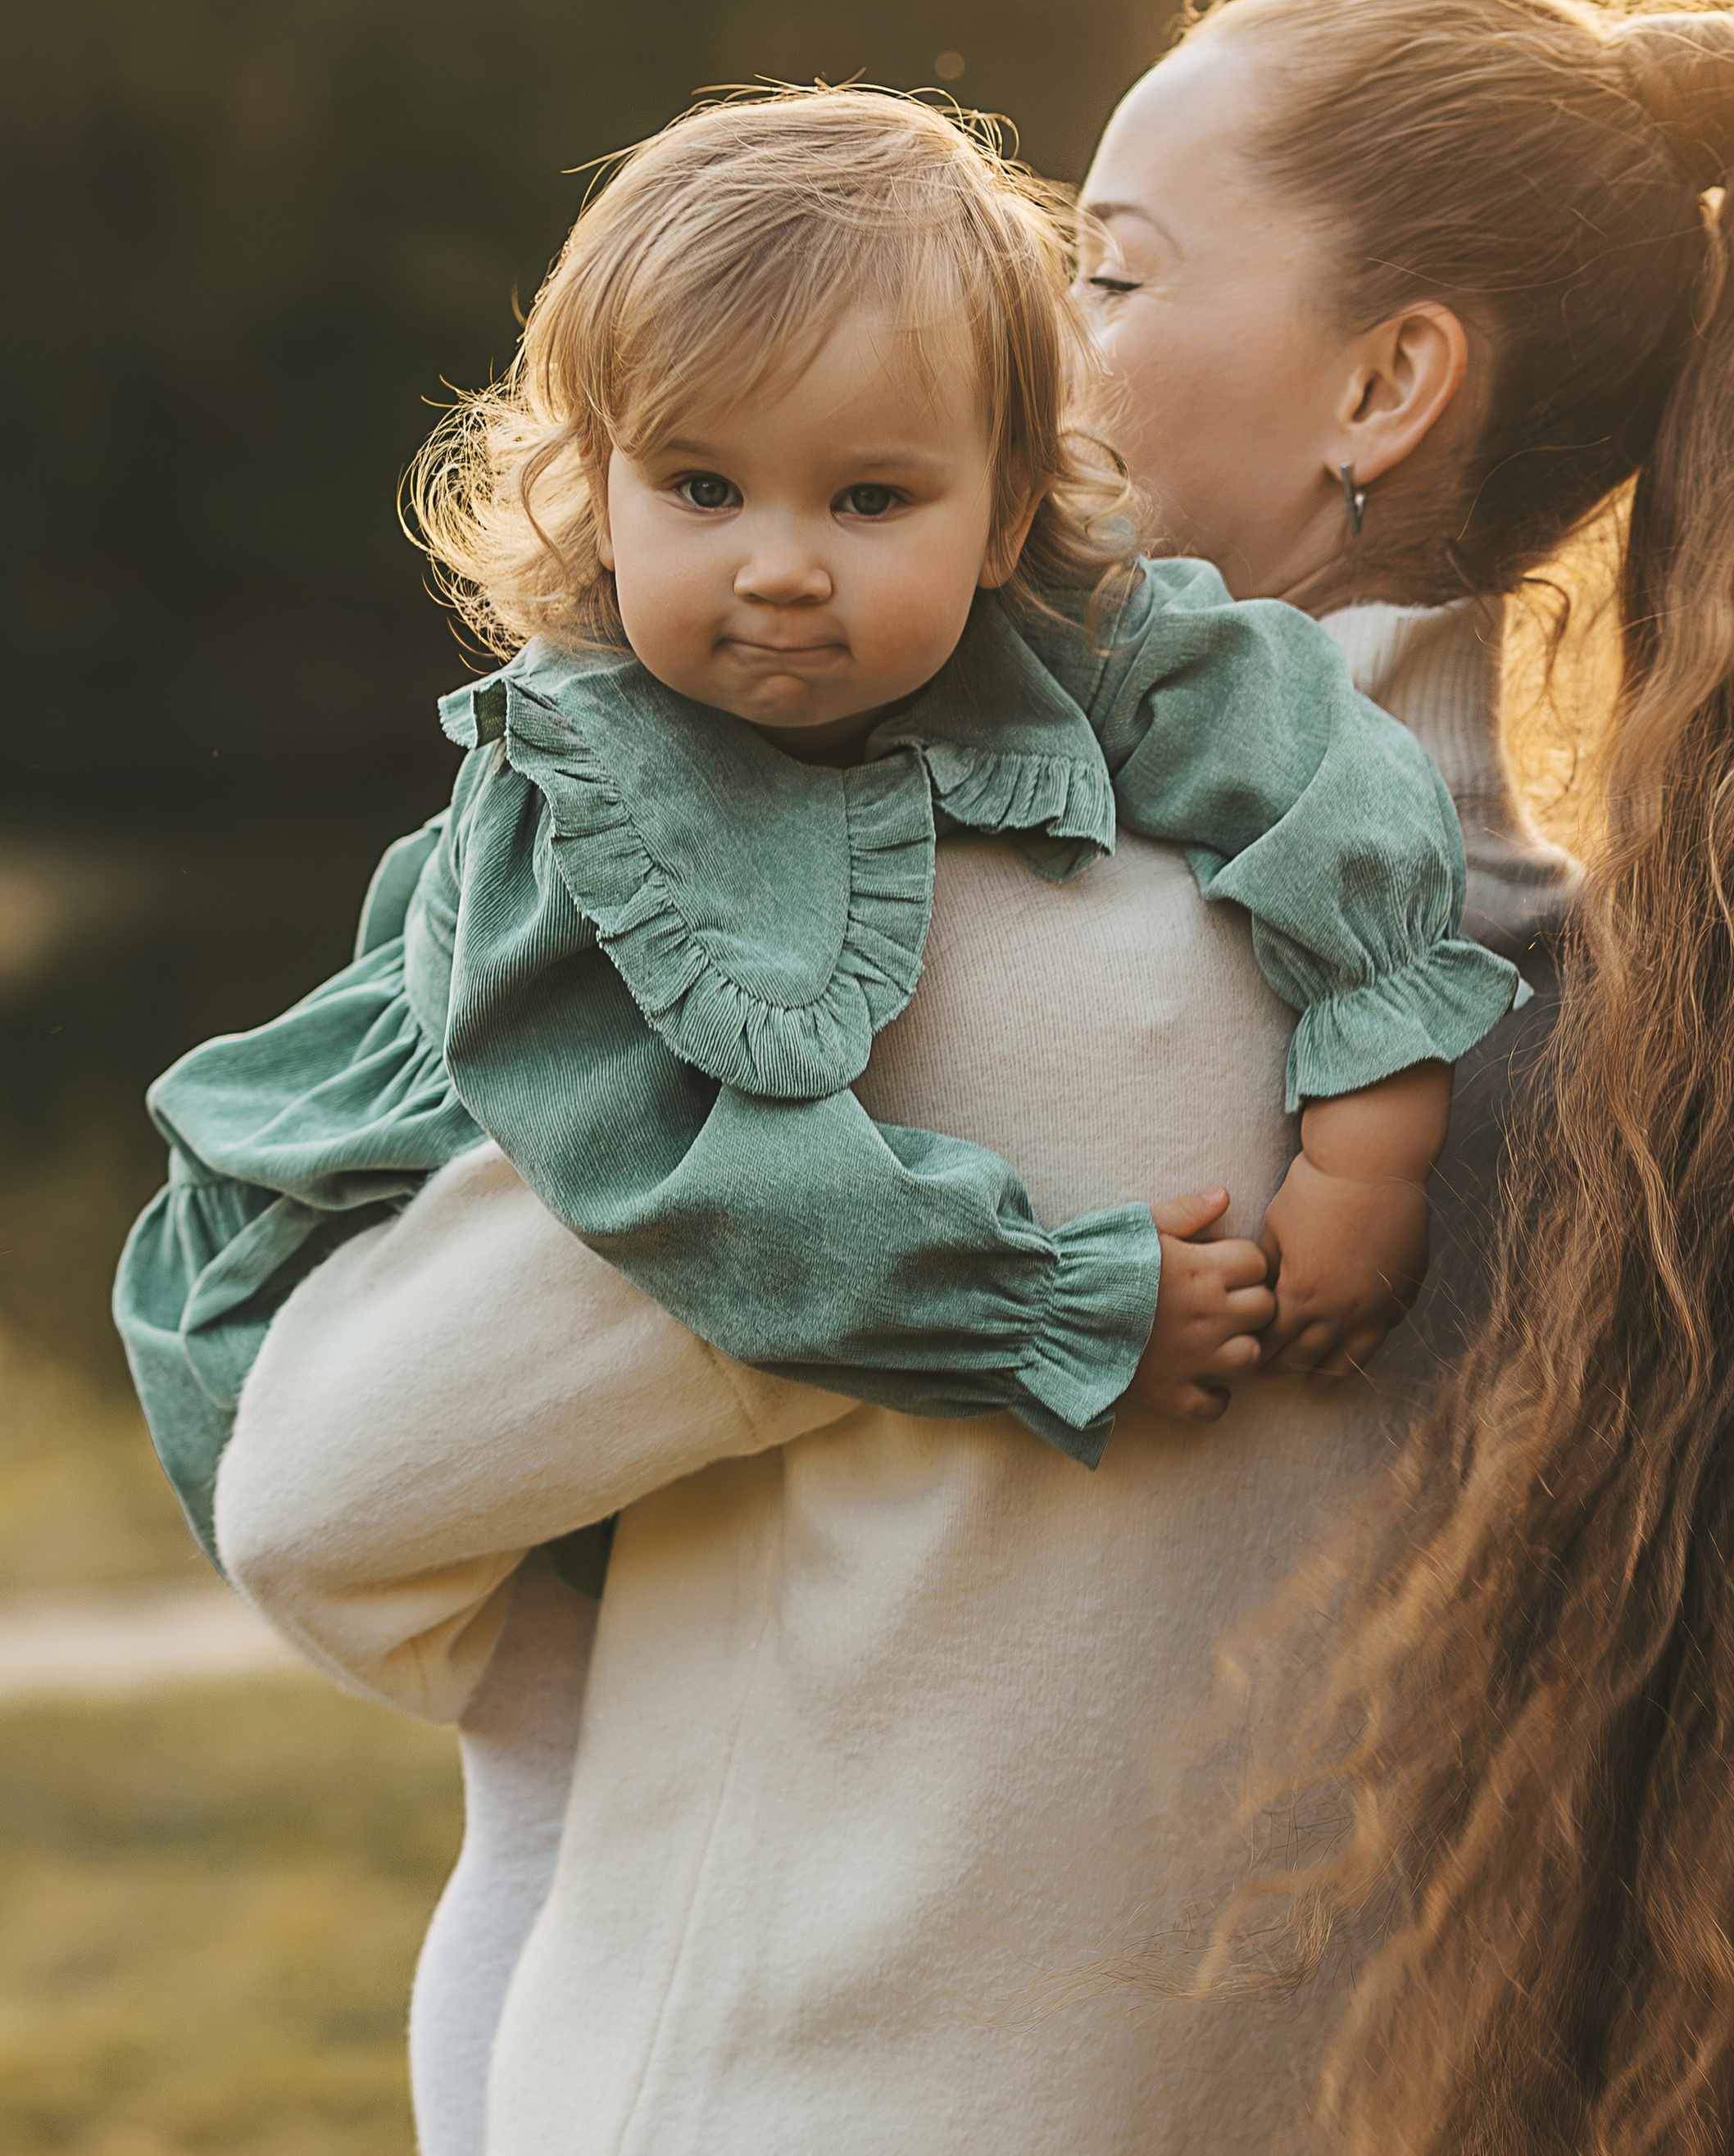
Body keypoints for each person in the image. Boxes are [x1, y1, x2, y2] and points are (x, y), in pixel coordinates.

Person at [214, 0, 1734, 2156]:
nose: (1031, 332)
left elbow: (321, 1489)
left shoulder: (973, 965)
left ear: (1389, 386)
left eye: (1122, 270)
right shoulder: (1664, 1041)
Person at [117, 88, 1516, 1553]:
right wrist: (1051, 1303)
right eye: (703, 486)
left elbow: (1311, 754)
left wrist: (1372, 1144)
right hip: (388, 1184)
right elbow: (690, 1183)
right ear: (600, 493)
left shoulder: (1070, 631)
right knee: (537, 1658)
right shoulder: (574, 797)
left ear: (1002, 510)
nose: (778, 566)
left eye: (866, 497)